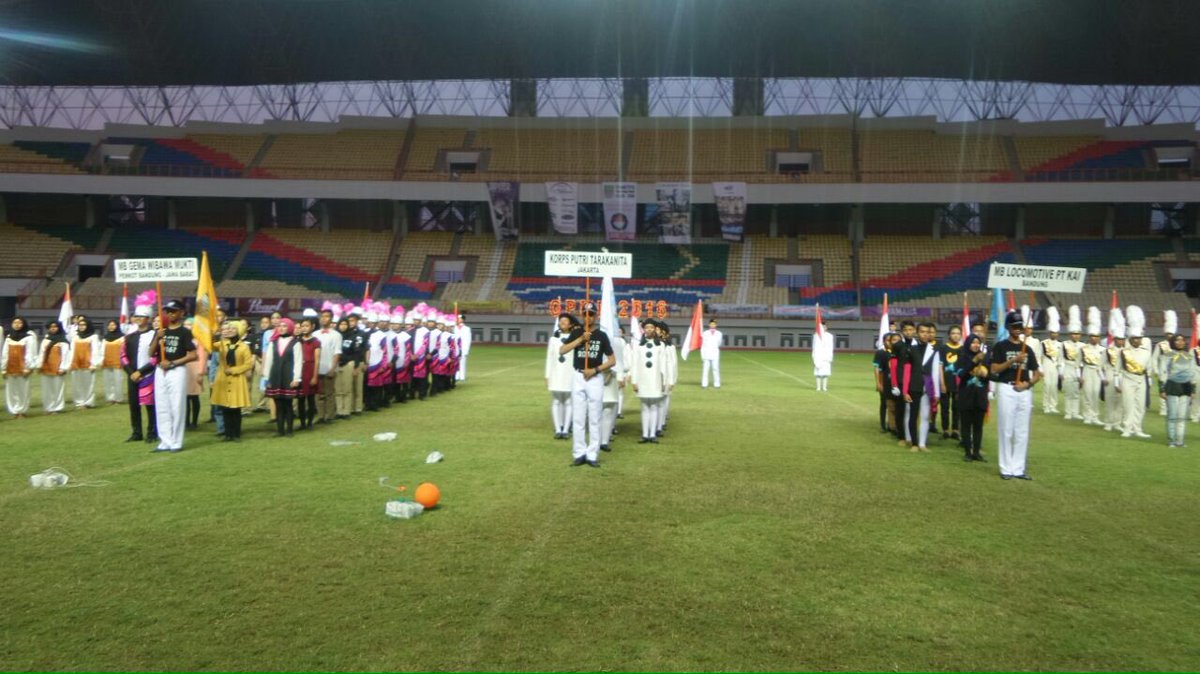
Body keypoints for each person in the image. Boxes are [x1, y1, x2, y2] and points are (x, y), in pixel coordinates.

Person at [561, 302, 616, 467]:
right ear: (581, 315)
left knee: (594, 417)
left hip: (594, 378)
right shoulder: (577, 332)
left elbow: (612, 361)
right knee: (578, 418)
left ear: (596, 316)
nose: (588, 317)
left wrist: (595, 370)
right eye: (585, 314)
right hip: (578, 376)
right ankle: (579, 453)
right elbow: (562, 350)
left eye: (591, 314)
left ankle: (592, 454)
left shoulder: (601, 336)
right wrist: (579, 340)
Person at [990, 311, 1041, 480]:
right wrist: (1014, 360)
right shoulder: (1001, 346)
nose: (1017, 329)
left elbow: (1037, 374)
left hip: (1024, 391)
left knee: (1022, 431)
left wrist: (1027, 384)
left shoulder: (1028, 348)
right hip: (1006, 388)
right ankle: (1005, 468)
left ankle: (1018, 468)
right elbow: (994, 369)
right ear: (1008, 327)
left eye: (1020, 326)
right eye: (1014, 326)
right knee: (1006, 430)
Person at [149, 300, 198, 452]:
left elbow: (193, 355)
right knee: (162, 406)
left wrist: (172, 363)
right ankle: (165, 441)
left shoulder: (184, 332)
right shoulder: (161, 331)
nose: (170, 313)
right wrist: (158, 337)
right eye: (168, 311)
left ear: (181, 312)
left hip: (176, 370)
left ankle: (176, 441)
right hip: (160, 371)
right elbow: (150, 353)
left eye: (174, 311)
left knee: (176, 406)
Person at [900, 322, 940, 452]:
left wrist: (936, 393)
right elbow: (906, 371)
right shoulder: (911, 349)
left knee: (924, 417)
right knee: (913, 415)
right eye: (922, 332)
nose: (925, 334)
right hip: (913, 387)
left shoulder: (934, 351)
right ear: (917, 333)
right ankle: (914, 443)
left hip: (927, 389)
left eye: (928, 332)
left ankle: (922, 444)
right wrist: (905, 390)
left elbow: (935, 372)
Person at [211, 320, 253, 442]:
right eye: (228, 329)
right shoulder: (222, 344)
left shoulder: (244, 347)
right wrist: (212, 334)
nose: (229, 330)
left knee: (235, 409)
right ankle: (227, 433)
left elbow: (248, 364)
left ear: (238, 331)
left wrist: (234, 370)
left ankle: (236, 433)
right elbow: (210, 346)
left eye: (233, 329)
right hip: (223, 379)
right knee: (225, 408)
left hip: (237, 379)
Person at [124, 301, 158, 443]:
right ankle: (136, 432)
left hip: (148, 375)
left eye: (141, 316)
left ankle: (152, 432)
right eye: (136, 316)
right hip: (132, 376)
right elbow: (123, 356)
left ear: (148, 318)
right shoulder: (129, 336)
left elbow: (155, 357)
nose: (138, 318)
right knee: (134, 405)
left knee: (150, 405)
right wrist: (132, 373)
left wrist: (141, 372)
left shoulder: (154, 335)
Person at [264, 317, 302, 437]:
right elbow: (269, 360)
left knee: (288, 405)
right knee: (278, 404)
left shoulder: (296, 343)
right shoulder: (273, 342)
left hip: (288, 377)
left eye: (284, 326)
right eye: (280, 326)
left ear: (290, 327)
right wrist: (267, 377)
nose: (281, 328)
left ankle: (289, 430)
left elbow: (298, 361)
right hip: (275, 376)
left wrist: (296, 378)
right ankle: (280, 430)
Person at [1119, 306, 1153, 440]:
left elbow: (1148, 368)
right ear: (1130, 339)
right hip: (1128, 379)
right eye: (1134, 338)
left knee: (1140, 405)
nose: (1136, 340)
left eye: (1138, 338)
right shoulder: (1124, 351)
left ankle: (1138, 428)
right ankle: (1127, 428)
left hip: (1141, 380)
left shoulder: (1146, 351)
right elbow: (1118, 369)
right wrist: (1118, 382)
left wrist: (1149, 380)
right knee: (1128, 404)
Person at [955, 335, 990, 463]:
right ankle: (967, 452)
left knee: (978, 426)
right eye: (973, 343)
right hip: (966, 395)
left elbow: (990, 375)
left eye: (977, 343)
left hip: (980, 396)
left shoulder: (985, 358)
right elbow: (961, 373)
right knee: (966, 425)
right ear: (968, 344)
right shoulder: (962, 357)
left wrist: (985, 372)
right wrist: (974, 361)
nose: (975, 345)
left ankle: (976, 452)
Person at [1159, 333, 1197, 448]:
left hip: (1185, 387)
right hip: (1172, 386)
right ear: (1173, 342)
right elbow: (1163, 372)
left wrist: (1193, 389)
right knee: (1172, 415)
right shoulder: (1167, 355)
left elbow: (1192, 372)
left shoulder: (1189, 356)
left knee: (1182, 416)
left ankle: (1180, 441)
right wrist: (1162, 388)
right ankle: (1171, 441)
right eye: (1177, 340)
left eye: (1182, 340)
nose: (1180, 342)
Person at [633, 319, 667, 444]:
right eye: (646, 327)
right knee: (644, 407)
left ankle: (652, 434)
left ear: (654, 329)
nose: (649, 329)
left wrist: (664, 381)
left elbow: (663, 365)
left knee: (653, 406)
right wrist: (634, 381)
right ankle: (645, 434)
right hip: (643, 380)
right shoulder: (638, 345)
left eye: (651, 327)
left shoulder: (661, 345)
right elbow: (634, 364)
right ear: (643, 330)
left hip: (655, 379)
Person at [546, 313, 577, 439]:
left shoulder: (575, 338)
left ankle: (566, 428)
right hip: (556, 373)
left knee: (569, 401)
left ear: (570, 324)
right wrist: (547, 375)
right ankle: (558, 428)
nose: (562, 323)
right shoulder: (553, 339)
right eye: (561, 321)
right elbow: (550, 358)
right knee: (556, 401)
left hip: (570, 373)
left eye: (565, 321)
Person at [2, 317, 38, 418]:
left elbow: (30, 353)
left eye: (19, 323)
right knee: (11, 390)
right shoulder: (9, 337)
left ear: (23, 324)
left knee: (23, 390)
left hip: (23, 368)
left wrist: (29, 367)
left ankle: (22, 411)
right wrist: (4, 369)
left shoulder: (28, 337)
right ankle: (14, 410)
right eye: (15, 322)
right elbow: (5, 353)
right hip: (10, 367)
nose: (17, 325)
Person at [315, 307, 342, 424]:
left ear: (331, 319)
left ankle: (330, 415)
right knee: (319, 393)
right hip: (317, 368)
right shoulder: (315, 334)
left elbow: (337, 352)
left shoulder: (336, 335)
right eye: (322, 316)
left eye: (327, 316)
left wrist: (332, 368)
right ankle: (321, 415)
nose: (324, 319)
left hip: (329, 368)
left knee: (329, 393)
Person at [68, 316, 102, 409]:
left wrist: (94, 363)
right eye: (80, 325)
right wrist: (70, 363)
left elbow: (95, 351)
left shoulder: (93, 337)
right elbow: (71, 350)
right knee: (77, 384)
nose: (82, 327)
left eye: (84, 325)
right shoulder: (75, 337)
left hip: (88, 364)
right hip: (76, 363)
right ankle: (79, 402)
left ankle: (88, 402)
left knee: (88, 384)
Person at [38, 321, 71, 415]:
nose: (53, 328)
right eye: (51, 327)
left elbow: (65, 355)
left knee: (57, 388)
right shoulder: (46, 340)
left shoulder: (63, 341)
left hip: (57, 368)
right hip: (46, 367)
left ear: (59, 328)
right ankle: (48, 407)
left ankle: (57, 408)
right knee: (46, 388)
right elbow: (41, 353)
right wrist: (39, 365)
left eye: (55, 327)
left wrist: (63, 368)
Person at [937, 325, 964, 440]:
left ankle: (955, 430)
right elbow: (940, 366)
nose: (956, 335)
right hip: (946, 382)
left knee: (957, 407)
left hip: (958, 383)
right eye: (953, 333)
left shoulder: (963, 349)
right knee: (945, 407)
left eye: (958, 333)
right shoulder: (943, 348)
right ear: (949, 335)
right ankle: (945, 429)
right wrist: (942, 383)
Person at [1079, 307, 1105, 426]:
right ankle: (1087, 415)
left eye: (1096, 336)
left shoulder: (1103, 350)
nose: (1094, 338)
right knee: (1087, 393)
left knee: (1095, 393)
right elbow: (1077, 364)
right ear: (1089, 337)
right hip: (1087, 371)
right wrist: (1079, 376)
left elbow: (1104, 366)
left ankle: (1095, 416)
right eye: (1092, 336)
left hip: (1097, 372)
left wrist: (1103, 377)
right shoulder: (1083, 349)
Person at [295, 316, 321, 431]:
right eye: (303, 326)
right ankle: (302, 423)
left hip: (310, 370)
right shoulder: (297, 341)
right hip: (300, 371)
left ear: (312, 327)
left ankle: (310, 422)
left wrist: (315, 376)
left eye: (307, 326)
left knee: (310, 399)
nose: (304, 328)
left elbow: (317, 360)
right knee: (300, 399)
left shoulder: (316, 342)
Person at [1103, 309, 1126, 432]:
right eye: (1118, 339)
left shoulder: (1126, 351)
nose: (1121, 342)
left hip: (1123, 376)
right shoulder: (1107, 350)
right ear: (1114, 339)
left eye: (1122, 339)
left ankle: (1117, 422)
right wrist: (1103, 378)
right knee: (1110, 400)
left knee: (1121, 401)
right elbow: (1100, 366)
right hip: (1110, 375)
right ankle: (1108, 422)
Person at [1060, 305, 1084, 421]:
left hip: (1079, 369)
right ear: (1070, 334)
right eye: (1073, 333)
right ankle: (1068, 412)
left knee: (1077, 392)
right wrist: (1061, 372)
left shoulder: (1083, 346)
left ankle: (1076, 412)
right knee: (1069, 391)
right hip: (1068, 368)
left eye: (1078, 334)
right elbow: (1061, 359)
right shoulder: (1064, 344)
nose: (1076, 336)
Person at [873, 332, 899, 434]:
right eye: (887, 340)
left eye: (891, 340)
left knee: (894, 404)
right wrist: (878, 383)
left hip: (896, 382)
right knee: (884, 403)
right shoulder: (881, 352)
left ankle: (893, 425)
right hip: (884, 381)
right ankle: (883, 424)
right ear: (884, 341)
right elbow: (876, 368)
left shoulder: (897, 352)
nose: (890, 342)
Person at [1039, 307, 1062, 415]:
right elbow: (1039, 357)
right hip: (1046, 365)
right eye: (1053, 332)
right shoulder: (1043, 343)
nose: (1054, 334)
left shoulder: (1060, 345)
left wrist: (1061, 370)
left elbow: (1061, 359)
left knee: (1054, 386)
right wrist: (1040, 369)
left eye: (1056, 333)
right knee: (1047, 385)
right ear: (1050, 333)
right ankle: (1046, 405)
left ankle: (1053, 405)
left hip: (1056, 366)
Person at [1153, 311, 1176, 418]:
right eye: (1168, 334)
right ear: (1165, 334)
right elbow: (1154, 358)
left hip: (1174, 371)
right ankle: (1163, 409)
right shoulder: (1160, 345)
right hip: (1163, 370)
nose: (1169, 336)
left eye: (1171, 334)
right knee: (1163, 389)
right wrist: (1156, 370)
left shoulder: (1177, 345)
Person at [100, 320, 126, 405]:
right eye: (109, 325)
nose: (111, 327)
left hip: (117, 362)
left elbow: (124, 350)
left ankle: (118, 399)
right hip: (107, 361)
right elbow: (102, 350)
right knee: (108, 381)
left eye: (113, 325)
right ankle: (110, 398)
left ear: (117, 326)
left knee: (117, 381)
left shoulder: (122, 337)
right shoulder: (105, 337)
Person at [700, 319, 722, 389]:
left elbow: (719, 343)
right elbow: (703, 344)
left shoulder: (719, 333)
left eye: (714, 324)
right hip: (706, 353)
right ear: (709, 325)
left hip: (715, 353)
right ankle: (704, 384)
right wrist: (702, 355)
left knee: (715, 369)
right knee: (705, 370)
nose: (712, 325)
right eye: (711, 324)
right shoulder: (705, 333)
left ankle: (717, 384)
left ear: (716, 325)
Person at [455, 313, 472, 382]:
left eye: (460, 318)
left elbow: (468, 340)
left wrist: (466, 350)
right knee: (456, 362)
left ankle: (462, 376)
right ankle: (456, 375)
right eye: (458, 318)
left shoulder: (467, 329)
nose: (458, 320)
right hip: (455, 347)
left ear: (463, 320)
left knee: (462, 362)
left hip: (463, 347)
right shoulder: (454, 328)